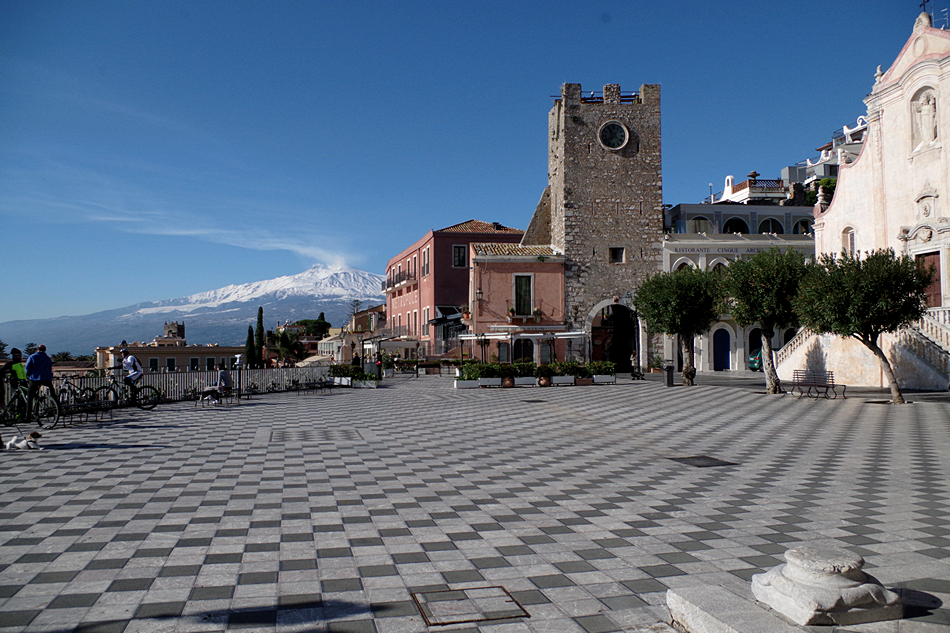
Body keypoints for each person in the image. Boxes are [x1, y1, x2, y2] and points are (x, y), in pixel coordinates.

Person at [25, 345, 56, 422]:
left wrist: (29, 376)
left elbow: (27, 367)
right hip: (47, 379)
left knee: (30, 396)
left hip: (35, 378)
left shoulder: (32, 356)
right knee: (53, 393)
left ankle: (28, 416)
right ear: (45, 350)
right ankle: (57, 407)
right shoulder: (48, 358)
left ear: (37, 349)